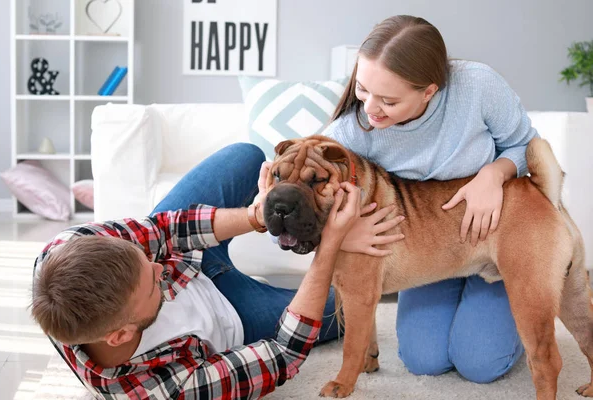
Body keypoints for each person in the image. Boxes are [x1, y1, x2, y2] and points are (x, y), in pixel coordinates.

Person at [30, 143, 404, 399]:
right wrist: (332, 245)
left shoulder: (69, 247)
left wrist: (256, 215)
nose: (161, 268)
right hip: (235, 315)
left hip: (194, 256)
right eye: (152, 284)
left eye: (145, 259)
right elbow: (283, 353)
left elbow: (164, 232)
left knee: (245, 156)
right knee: (344, 312)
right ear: (121, 335)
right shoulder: (164, 390)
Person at [323, 15, 538, 384]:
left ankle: (522, 315)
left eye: (388, 100)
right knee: (423, 360)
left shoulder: (477, 85)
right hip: (430, 251)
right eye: (362, 89)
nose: (371, 108)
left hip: (494, 234)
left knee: (480, 363)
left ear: (429, 91)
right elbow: (300, 192)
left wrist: (495, 173)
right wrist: (342, 235)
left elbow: (527, 146)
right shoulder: (351, 132)